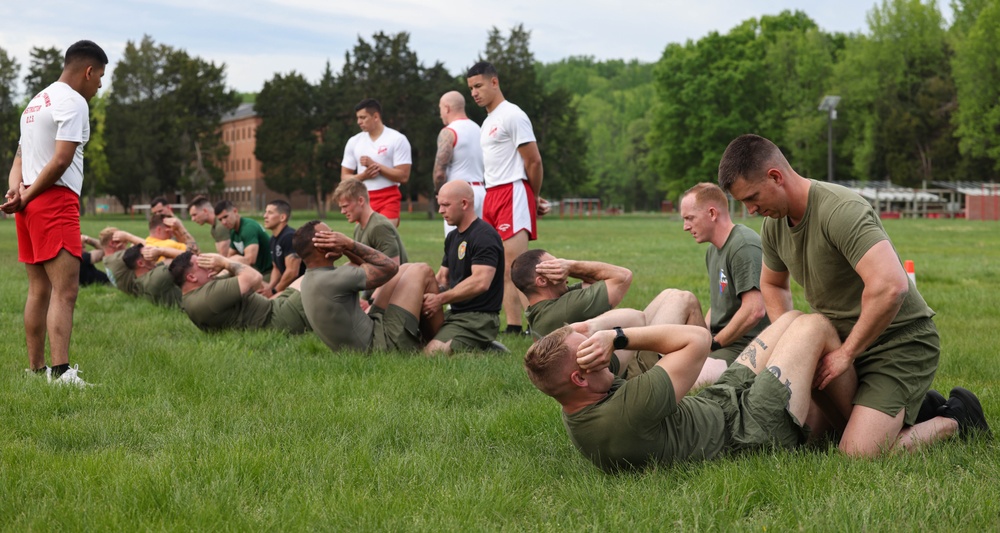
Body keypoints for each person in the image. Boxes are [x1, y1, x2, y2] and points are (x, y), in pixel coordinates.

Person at [717, 133, 990, 455]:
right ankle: (912, 410)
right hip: (841, 341)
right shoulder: (774, 227)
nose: (750, 210)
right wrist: (794, 345)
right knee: (814, 439)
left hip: (898, 342)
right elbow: (773, 284)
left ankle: (957, 418)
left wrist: (846, 355)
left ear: (775, 176)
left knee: (858, 452)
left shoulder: (840, 209)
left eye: (752, 197)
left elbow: (890, 286)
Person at [526, 311, 844, 473]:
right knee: (812, 325)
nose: (602, 354)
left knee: (789, 318)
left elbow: (632, 314)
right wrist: (617, 337)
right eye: (589, 354)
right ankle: (854, 421)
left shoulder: (578, 400)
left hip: (720, 402)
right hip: (750, 429)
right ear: (579, 378)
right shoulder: (627, 413)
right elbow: (697, 339)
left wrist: (590, 329)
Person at [3, 40, 108, 386]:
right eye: (100, 77)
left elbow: (19, 157)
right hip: (53, 199)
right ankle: (61, 374)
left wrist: (15, 191)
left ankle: (36, 371)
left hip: (29, 203)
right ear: (88, 71)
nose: (100, 86)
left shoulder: (36, 102)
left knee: (38, 290)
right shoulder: (73, 101)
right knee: (66, 291)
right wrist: (31, 192)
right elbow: (61, 160)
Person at [467, 61, 547, 335]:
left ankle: (538, 327)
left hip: (513, 191)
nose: (474, 93)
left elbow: (533, 161)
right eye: (470, 88)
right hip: (492, 194)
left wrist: (533, 198)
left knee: (520, 267)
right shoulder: (487, 122)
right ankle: (513, 326)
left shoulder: (512, 114)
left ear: (494, 82)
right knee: (501, 268)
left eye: (478, 86)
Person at [293, 221, 440, 353]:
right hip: (382, 348)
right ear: (322, 247)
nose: (336, 236)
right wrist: (349, 244)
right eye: (331, 235)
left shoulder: (312, 278)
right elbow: (389, 267)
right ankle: (438, 341)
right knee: (422, 270)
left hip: (368, 341)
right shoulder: (334, 278)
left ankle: (428, 338)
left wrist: (344, 249)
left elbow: (365, 266)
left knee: (406, 269)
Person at [680, 182, 770, 385]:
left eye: (689, 218)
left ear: (712, 213)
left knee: (685, 381)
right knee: (672, 366)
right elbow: (719, 303)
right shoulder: (713, 250)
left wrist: (714, 344)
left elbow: (755, 310)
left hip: (747, 347)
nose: (685, 227)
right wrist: (702, 338)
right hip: (724, 343)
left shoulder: (743, 246)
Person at [421, 180, 505, 354]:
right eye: (439, 205)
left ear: (464, 204)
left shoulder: (484, 236)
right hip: (457, 314)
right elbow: (443, 278)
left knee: (432, 353)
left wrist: (440, 299)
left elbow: (481, 282)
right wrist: (421, 296)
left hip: (479, 318)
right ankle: (478, 345)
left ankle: (489, 350)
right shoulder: (452, 237)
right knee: (415, 342)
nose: (440, 211)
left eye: (445, 205)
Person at [169, 251, 309, 334]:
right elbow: (255, 277)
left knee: (308, 275)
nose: (208, 266)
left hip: (274, 308)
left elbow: (238, 261)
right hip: (279, 319)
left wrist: (225, 266)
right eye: (202, 265)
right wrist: (224, 262)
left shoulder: (193, 296)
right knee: (318, 276)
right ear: (192, 277)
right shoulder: (209, 296)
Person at [511, 249, 633, 339]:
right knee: (637, 317)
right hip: (618, 371)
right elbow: (623, 277)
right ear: (542, 281)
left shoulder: (548, 305)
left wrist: (568, 269)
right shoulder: (563, 310)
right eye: (555, 265)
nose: (565, 273)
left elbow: (597, 282)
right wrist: (572, 266)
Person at [340, 98, 412, 227]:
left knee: (384, 238)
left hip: (389, 197)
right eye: (358, 118)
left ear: (376, 116)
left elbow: (403, 176)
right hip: (362, 199)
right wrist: (363, 176)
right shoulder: (354, 141)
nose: (359, 122)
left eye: (363, 117)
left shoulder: (397, 139)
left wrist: (376, 166)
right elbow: (344, 177)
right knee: (364, 244)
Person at [433, 90, 486, 235]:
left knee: (456, 246)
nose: (440, 114)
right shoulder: (479, 129)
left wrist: (439, 192)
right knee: (480, 242)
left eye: (440, 109)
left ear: (447, 108)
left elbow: (439, 173)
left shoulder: (448, 132)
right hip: (481, 191)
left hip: (457, 195)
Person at [333, 178, 408, 264]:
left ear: (360, 201)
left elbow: (394, 268)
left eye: (345, 206)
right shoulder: (358, 227)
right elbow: (360, 262)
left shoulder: (379, 227)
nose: (342, 212)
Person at [215, 200, 272, 277]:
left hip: (269, 271)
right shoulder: (233, 231)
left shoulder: (248, 228)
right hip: (256, 270)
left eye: (225, 217)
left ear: (235, 211)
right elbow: (230, 256)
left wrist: (223, 263)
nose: (223, 222)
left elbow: (250, 260)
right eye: (220, 219)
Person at [260, 199, 305, 298]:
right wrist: (270, 288)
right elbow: (276, 268)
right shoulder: (273, 239)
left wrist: (275, 291)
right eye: (265, 212)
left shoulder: (290, 237)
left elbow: (292, 272)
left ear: (282, 217)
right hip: (288, 287)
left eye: (270, 213)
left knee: (267, 306)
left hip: (302, 288)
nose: (265, 216)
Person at [114, 244, 182, 308]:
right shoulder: (157, 276)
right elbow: (188, 258)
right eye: (147, 254)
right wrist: (161, 251)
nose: (151, 254)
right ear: (140, 263)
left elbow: (168, 260)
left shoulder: (141, 279)